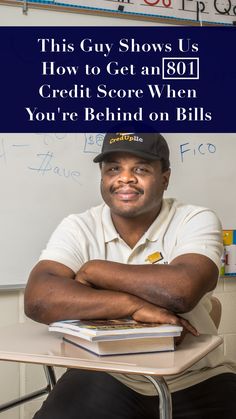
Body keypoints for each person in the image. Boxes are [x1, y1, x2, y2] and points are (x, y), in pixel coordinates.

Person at [24, 132, 236, 419]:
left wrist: (94, 271)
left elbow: (179, 291)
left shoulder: (194, 219)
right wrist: (134, 306)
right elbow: (39, 299)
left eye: (141, 169)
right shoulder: (79, 226)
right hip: (106, 374)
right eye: (113, 168)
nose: (125, 178)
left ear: (165, 178)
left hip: (195, 376)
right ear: (102, 177)